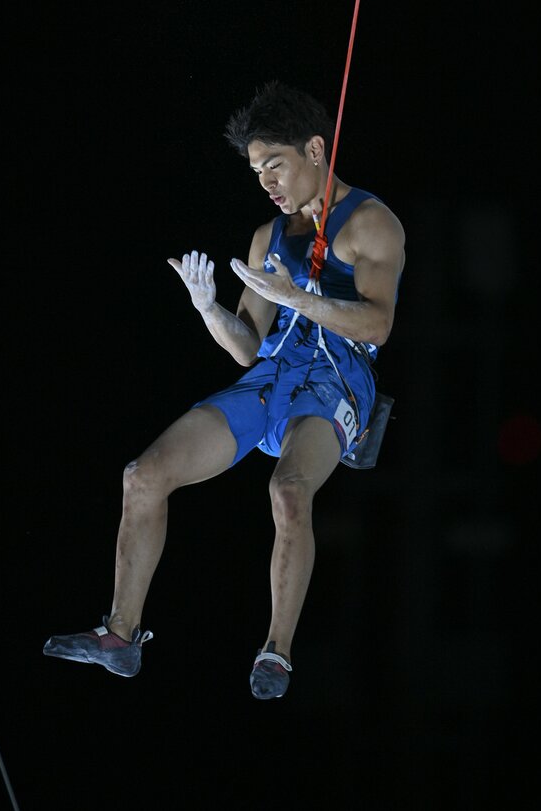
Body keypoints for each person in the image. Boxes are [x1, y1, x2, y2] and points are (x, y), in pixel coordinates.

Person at [43, 80, 405, 699]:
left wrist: (298, 297)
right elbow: (247, 347)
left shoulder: (371, 224)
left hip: (337, 383)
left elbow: (377, 323)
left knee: (288, 490)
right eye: (257, 171)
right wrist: (209, 308)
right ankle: (120, 635)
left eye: (275, 166)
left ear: (315, 149)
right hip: (270, 380)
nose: (267, 183)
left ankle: (277, 652)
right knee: (143, 474)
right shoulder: (269, 239)